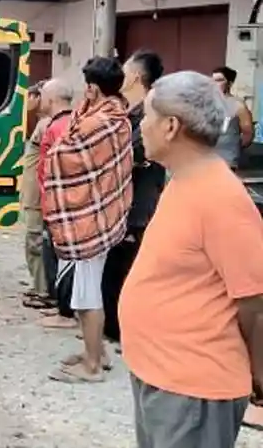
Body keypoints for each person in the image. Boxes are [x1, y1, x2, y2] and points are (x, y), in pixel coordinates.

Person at [120, 71, 263, 448]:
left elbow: (255, 301)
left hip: (194, 387)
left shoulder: (222, 198)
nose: (140, 127)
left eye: (146, 115)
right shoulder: (182, 180)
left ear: (170, 126)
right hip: (162, 374)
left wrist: (259, 375)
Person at [43, 57, 133, 383]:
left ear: (93, 89)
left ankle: (92, 365)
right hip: (102, 213)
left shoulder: (100, 122)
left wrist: (56, 152)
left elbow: (63, 155)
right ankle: (98, 352)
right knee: (88, 288)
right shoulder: (116, 117)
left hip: (90, 218)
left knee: (86, 294)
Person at [102, 50, 166, 344]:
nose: (120, 77)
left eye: (125, 72)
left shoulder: (149, 115)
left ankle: (127, 331)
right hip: (122, 204)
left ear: (136, 77)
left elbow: (131, 155)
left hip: (138, 206)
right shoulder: (129, 113)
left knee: (127, 271)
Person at [35, 78, 78, 330]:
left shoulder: (61, 126)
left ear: (51, 99)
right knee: (52, 255)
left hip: (58, 205)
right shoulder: (61, 123)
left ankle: (66, 312)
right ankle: (59, 305)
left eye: (41, 95)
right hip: (52, 202)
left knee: (60, 257)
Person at [19, 83, 52, 308]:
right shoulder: (40, 122)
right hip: (32, 194)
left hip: (38, 196)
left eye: (32, 96)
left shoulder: (46, 124)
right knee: (33, 242)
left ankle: (43, 290)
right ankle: (39, 285)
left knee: (35, 242)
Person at [211, 65, 254, 168]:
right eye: (212, 80)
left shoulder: (238, 105)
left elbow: (248, 133)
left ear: (229, 83)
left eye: (219, 80)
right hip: (206, 158)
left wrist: (233, 147)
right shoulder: (207, 102)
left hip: (227, 159)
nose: (214, 84)